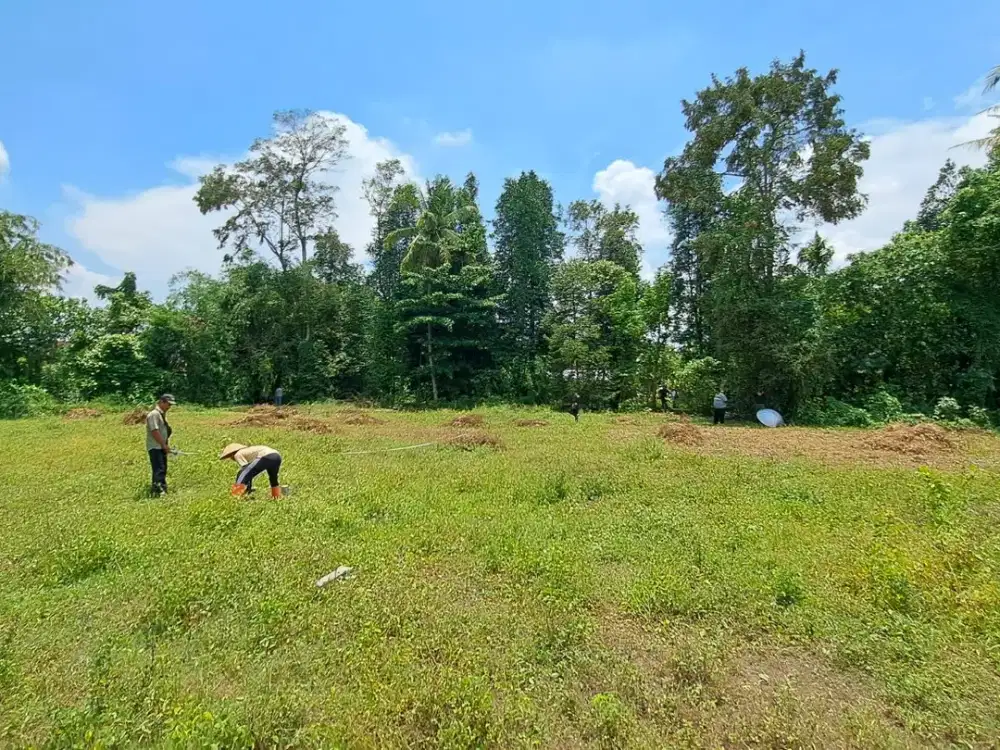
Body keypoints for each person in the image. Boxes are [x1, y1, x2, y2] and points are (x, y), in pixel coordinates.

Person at [146, 394, 176, 496]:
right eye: (168, 404)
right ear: (162, 402)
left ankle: (161, 488)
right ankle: (158, 491)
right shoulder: (154, 414)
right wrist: (163, 445)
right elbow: (154, 431)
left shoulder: (160, 414)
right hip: (155, 447)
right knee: (159, 469)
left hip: (160, 446)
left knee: (162, 468)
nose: (169, 407)